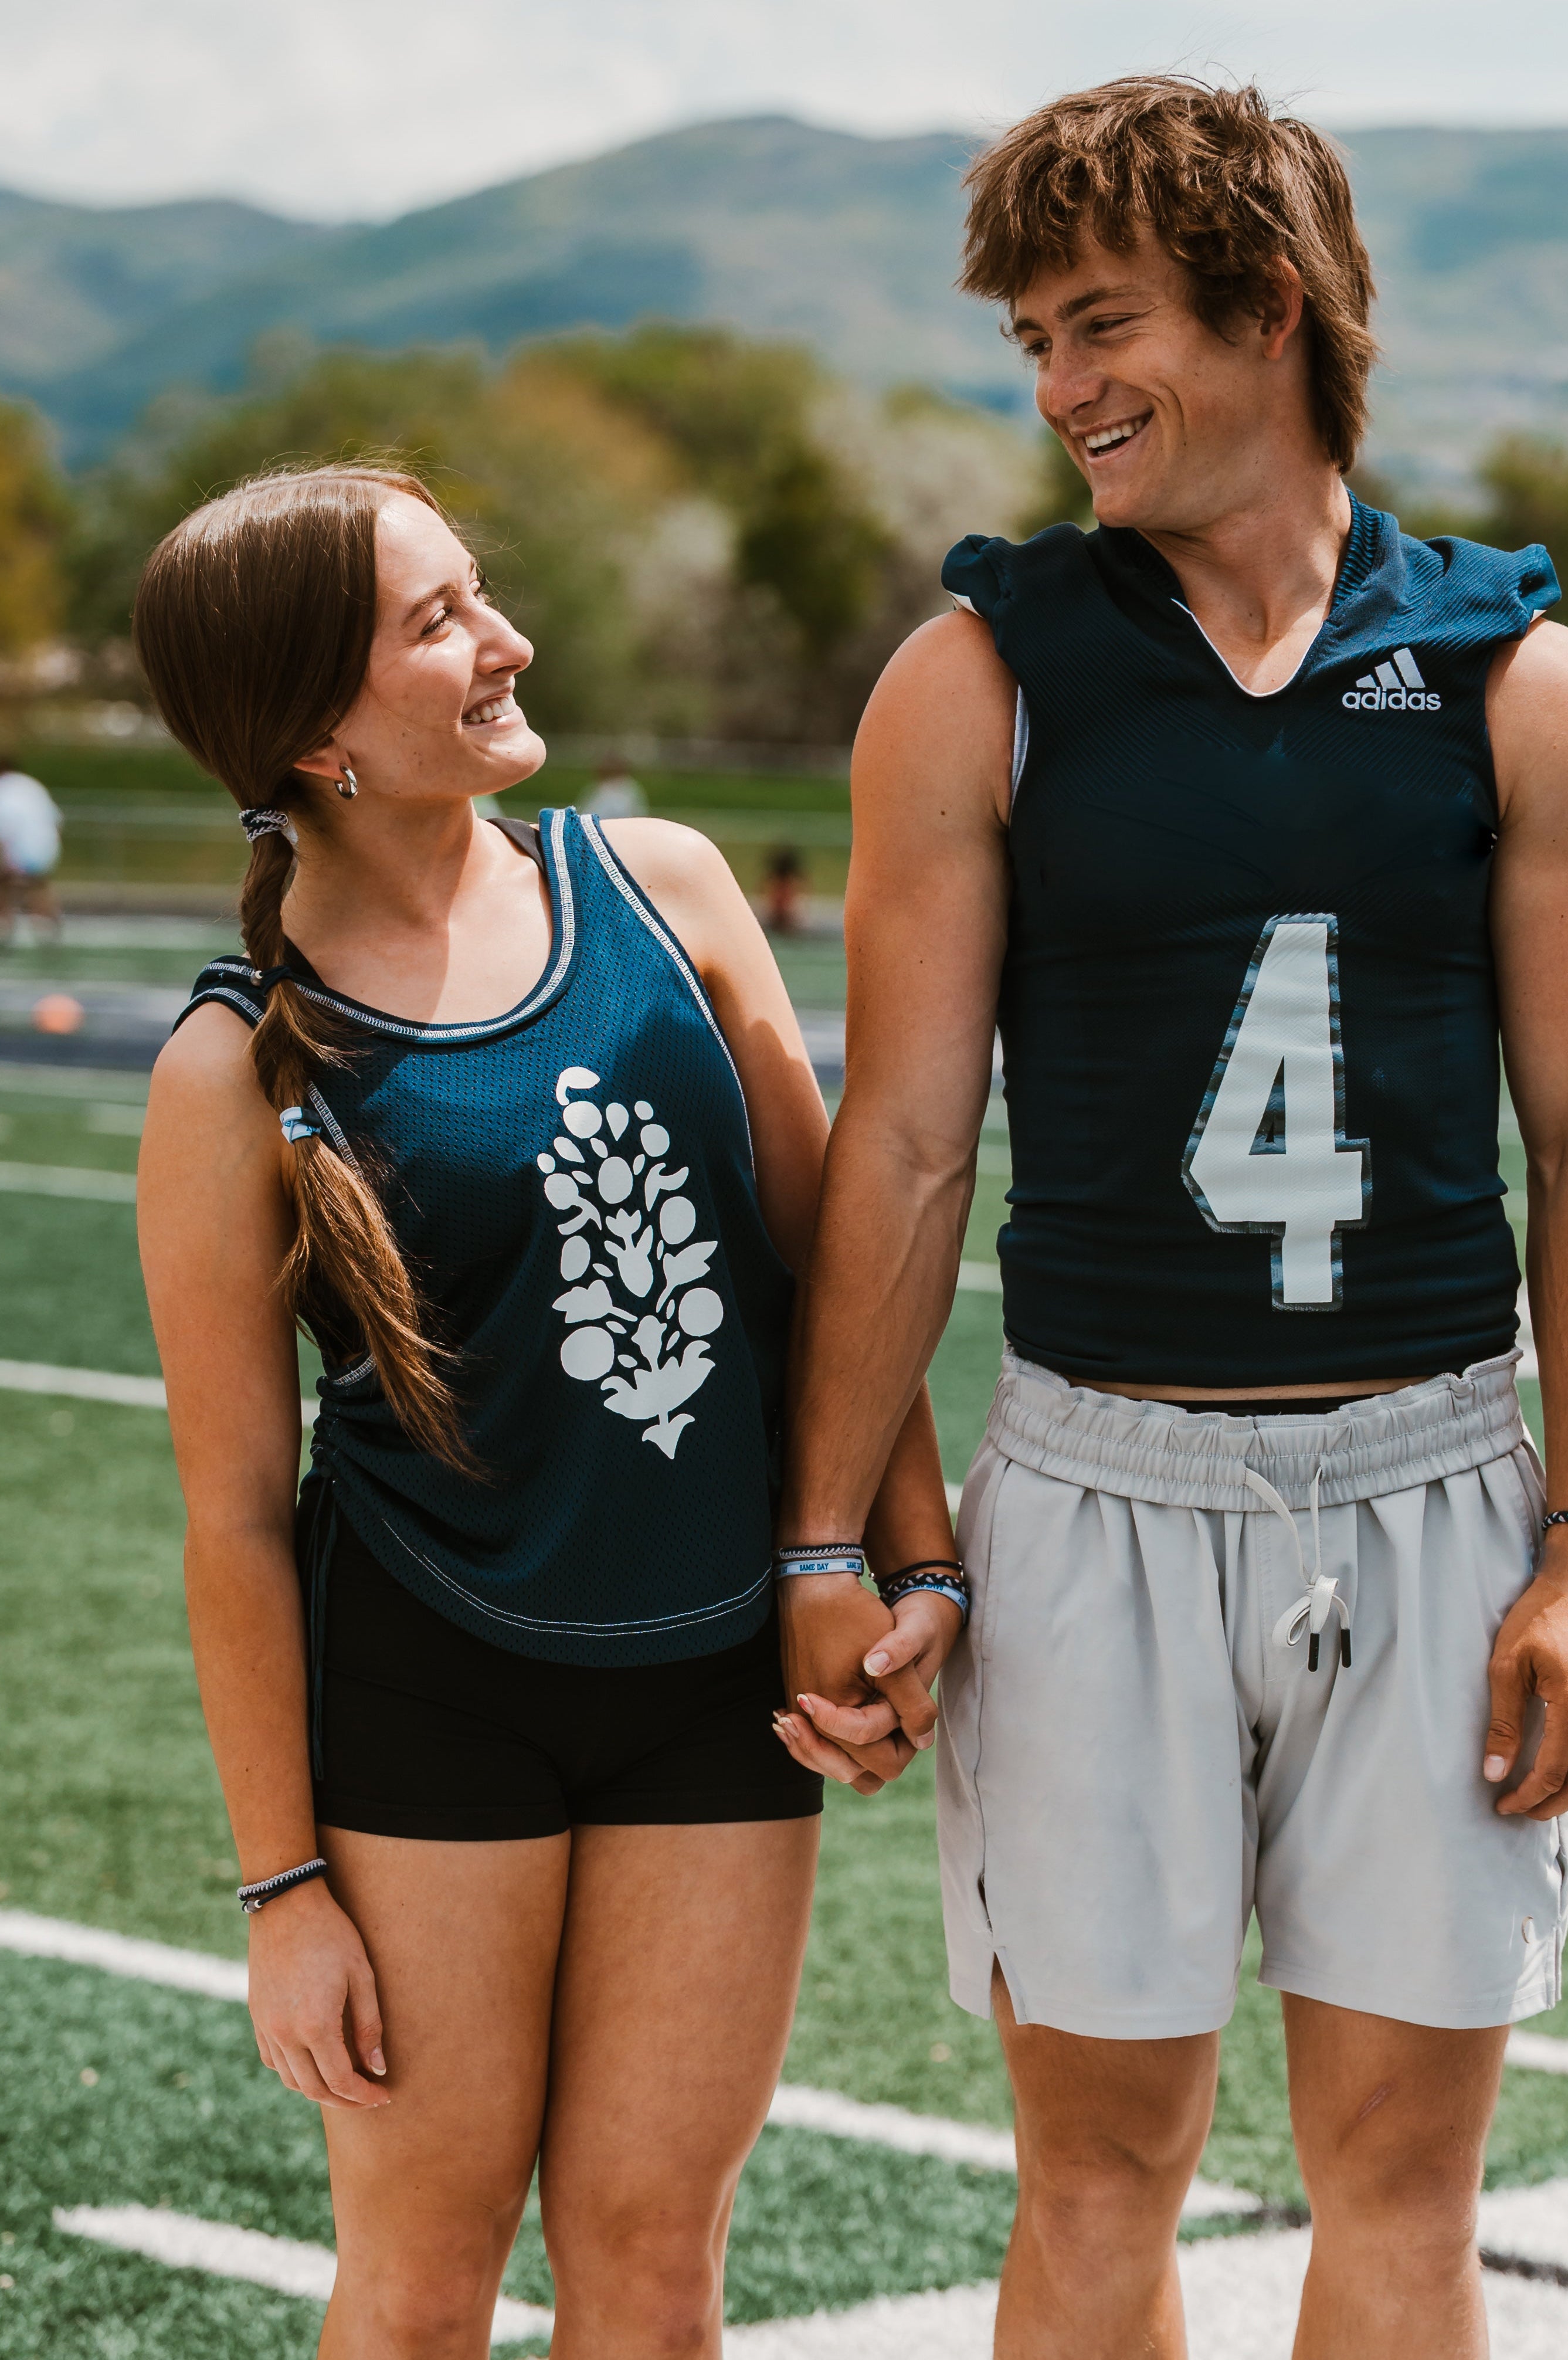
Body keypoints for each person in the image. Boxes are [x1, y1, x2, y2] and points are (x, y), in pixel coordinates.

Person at [769, 77, 1568, 2360]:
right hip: (1092, 1485)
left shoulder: (1514, 677)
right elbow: (898, 1145)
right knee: (1091, 2185)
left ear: (1268, 307)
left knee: (1400, 2195)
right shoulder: (978, 672)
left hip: (1436, 1480)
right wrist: (819, 1546)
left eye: (1099, 327)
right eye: (1035, 348)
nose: (1061, 392)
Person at [131, 463, 952, 2355]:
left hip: (714, 1687)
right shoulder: (230, 1066)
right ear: (308, 729)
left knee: (654, 2270)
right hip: (430, 1699)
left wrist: (910, 1560)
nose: (504, 641)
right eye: (436, 622)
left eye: (477, 591)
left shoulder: (659, 889)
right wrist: (285, 1891)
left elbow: (837, 1274)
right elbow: (238, 1513)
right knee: (421, 2286)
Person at [0, 754, 62, 946]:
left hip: (17, 849)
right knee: (38, 886)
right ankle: (47, 929)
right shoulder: (31, 785)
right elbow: (56, 821)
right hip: (46, 848)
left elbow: (0, 830)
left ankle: (0, 931)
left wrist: (2, 860)